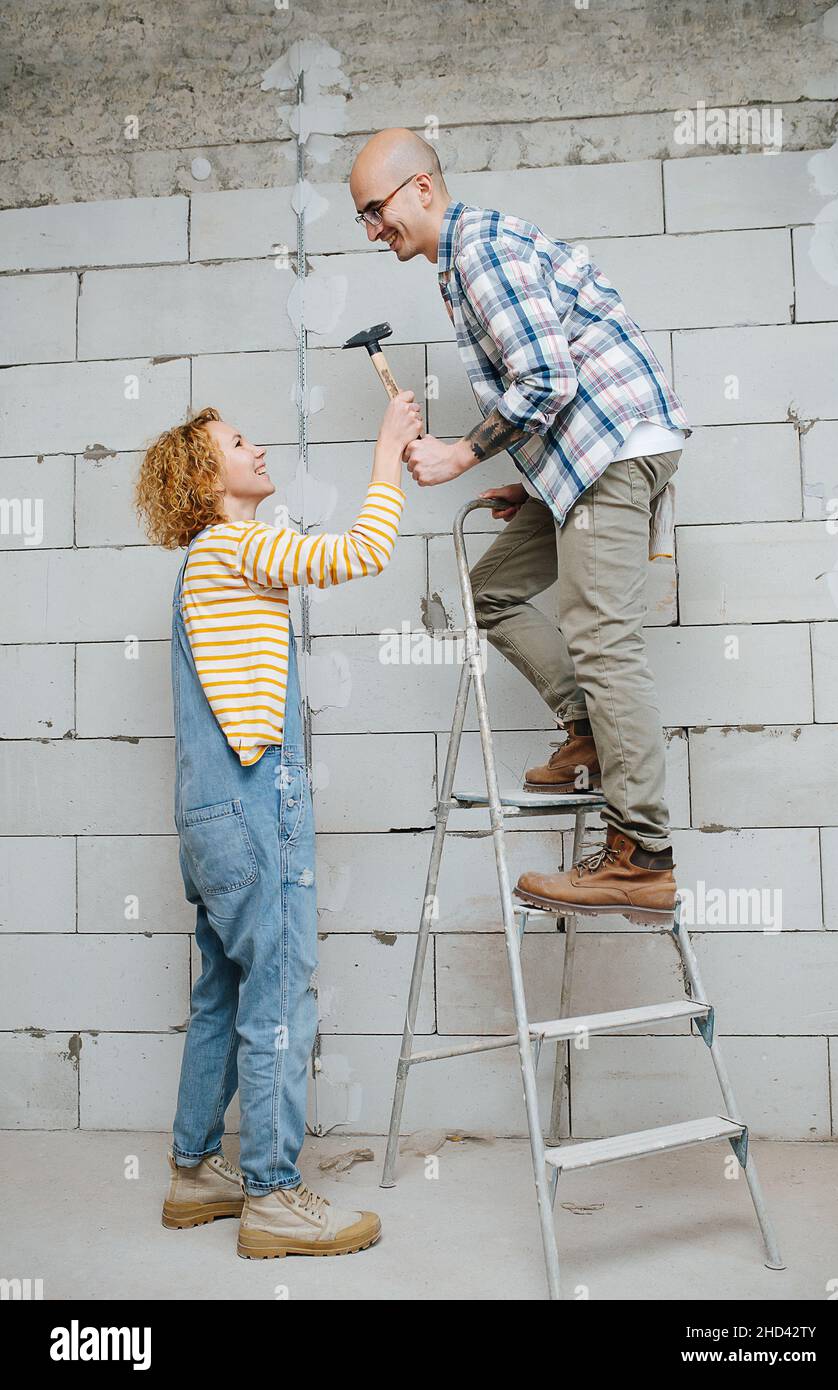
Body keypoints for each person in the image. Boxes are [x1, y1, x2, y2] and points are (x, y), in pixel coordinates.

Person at [349, 128, 691, 914]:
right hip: (588, 459)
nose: (373, 231)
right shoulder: (464, 258)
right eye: (362, 219)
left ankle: (641, 854)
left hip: (614, 448)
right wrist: (537, 488)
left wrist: (463, 455)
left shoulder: (478, 251)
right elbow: (558, 374)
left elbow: (546, 375)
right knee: (489, 590)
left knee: (602, 635)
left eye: (376, 210)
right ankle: (590, 735)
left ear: (421, 189)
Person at [133, 389, 421, 1256]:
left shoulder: (202, 566)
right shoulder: (235, 547)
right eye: (239, 442)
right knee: (281, 994)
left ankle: (193, 1171)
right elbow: (365, 550)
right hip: (257, 804)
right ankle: (273, 1195)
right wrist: (388, 449)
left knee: (222, 988)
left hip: (209, 814)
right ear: (202, 474)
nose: (256, 450)